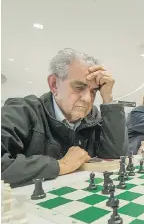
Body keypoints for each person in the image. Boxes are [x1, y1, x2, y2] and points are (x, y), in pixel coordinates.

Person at [1, 48, 128, 187]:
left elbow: (116, 155)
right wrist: (61, 165)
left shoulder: (93, 117)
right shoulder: (21, 111)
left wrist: (108, 99)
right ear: (54, 84)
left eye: (93, 91)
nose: (87, 99)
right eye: (79, 87)